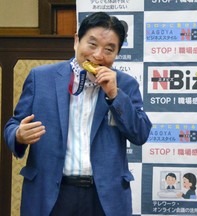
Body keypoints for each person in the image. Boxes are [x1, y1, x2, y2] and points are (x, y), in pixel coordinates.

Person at [4, 12, 152, 216]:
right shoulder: (41, 78)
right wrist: (19, 135)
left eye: (109, 49)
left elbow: (141, 133)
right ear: (76, 41)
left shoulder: (125, 85)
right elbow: (13, 125)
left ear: (117, 53)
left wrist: (114, 96)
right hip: (51, 193)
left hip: (103, 198)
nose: (99, 55)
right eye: (92, 44)